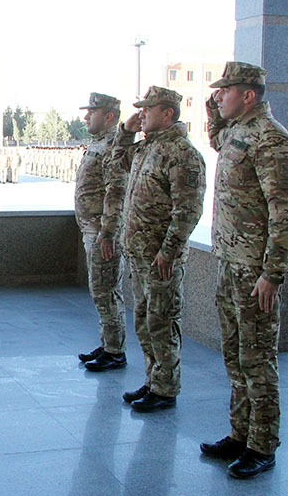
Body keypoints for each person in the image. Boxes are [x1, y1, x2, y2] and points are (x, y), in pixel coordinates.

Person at [200, 62, 288, 479]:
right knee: (234, 354)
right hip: (229, 263)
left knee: (257, 359)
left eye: (226, 91)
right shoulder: (238, 132)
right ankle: (240, 434)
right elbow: (216, 138)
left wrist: (273, 272)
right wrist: (212, 108)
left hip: (255, 270)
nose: (220, 95)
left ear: (249, 95)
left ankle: (262, 444)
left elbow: (286, 211)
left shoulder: (272, 139)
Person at [112, 86, 205, 413]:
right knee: (144, 322)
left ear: (167, 114)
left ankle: (165, 389)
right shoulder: (147, 148)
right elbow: (116, 162)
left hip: (160, 259)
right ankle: (154, 379)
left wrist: (168, 252)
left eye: (148, 110)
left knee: (162, 323)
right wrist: (126, 131)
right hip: (139, 255)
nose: (142, 114)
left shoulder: (182, 153)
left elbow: (188, 210)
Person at [73, 93, 129, 371]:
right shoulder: (100, 143)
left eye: (91, 112)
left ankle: (115, 351)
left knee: (105, 291)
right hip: (92, 229)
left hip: (101, 232)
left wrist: (108, 233)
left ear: (108, 116)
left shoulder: (113, 146)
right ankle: (109, 343)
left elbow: (116, 194)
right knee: (101, 290)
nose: (86, 117)